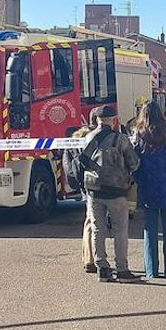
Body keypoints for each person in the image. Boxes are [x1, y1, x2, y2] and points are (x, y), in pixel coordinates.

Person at [80, 105, 140, 282]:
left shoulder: (88, 137)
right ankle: (122, 269)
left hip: (93, 190)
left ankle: (102, 268)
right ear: (114, 120)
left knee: (98, 228)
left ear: (97, 120)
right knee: (120, 229)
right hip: (116, 190)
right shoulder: (120, 139)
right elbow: (134, 163)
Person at [131, 102, 166, 280]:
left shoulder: (140, 134)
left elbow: (135, 163)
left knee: (150, 228)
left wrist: (139, 180)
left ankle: (151, 271)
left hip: (149, 185)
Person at [63, 108, 102, 274]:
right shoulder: (97, 138)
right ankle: (94, 259)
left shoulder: (75, 138)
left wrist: (75, 184)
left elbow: (67, 164)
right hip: (98, 182)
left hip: (84, 184)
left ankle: (88, 258)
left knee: (89, 221)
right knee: (96, 223)